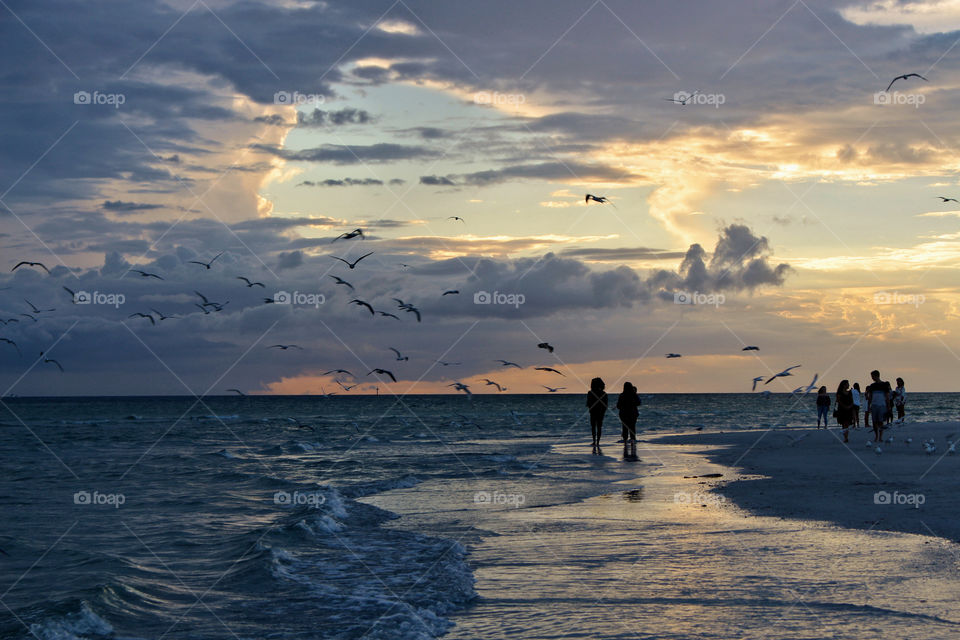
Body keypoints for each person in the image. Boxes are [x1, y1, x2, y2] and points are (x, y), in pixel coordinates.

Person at [865, 370, 891, 442]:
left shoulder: (884, 385)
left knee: (880, 421)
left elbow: (887, 396)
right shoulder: (872, 386)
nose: (872, 378)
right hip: (874, 405)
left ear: (876, 376)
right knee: (874, 421)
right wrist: (868, 405)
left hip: (882, 405)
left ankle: (880, 437)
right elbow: (870, 396)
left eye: (872, 376)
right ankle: (876, 436)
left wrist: (888, 406)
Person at [586, 377, 608, 448]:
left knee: (593, 426)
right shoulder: (604, 393)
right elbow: (605, 405)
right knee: (599, 427)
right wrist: (603, 410)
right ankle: (598, 441)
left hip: (593, 411)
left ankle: (594, 441)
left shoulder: (590, 393)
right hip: (601, 412)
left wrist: (590, 408)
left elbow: (588, 403)